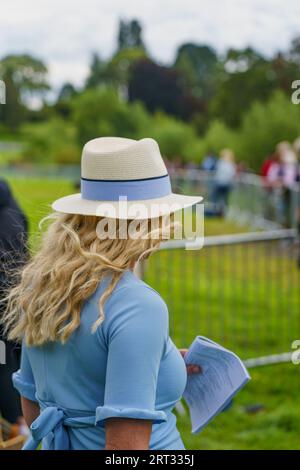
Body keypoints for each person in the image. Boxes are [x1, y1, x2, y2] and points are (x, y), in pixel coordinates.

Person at [1, 137, 203, 450]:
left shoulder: (39, 286)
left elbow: (33, 408)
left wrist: (159, 360)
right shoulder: (138, 305)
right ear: (148, 221)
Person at [0, 179, 28, 433]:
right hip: (15, 301)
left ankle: (17, 425)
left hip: (5, 306)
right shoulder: (11, 208)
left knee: (2, 361)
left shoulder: (8, 217)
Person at [211, 148, 236, 214]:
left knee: (216, 198)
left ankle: (215, 212)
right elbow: (232, 174)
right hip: (227, 184)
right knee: (224, 199)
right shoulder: (231, 164)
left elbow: (217, 172)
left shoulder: (220, 162)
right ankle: (223, 213)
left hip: (219, 183)